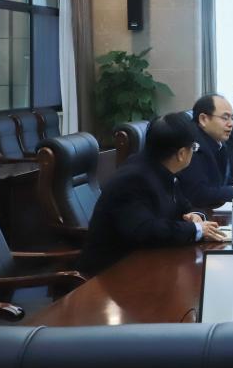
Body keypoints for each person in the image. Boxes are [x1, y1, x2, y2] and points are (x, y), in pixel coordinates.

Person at [78, 113, 225, 277]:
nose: (194, 152)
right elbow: (145, 230)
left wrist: (194, 216)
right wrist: (195, 229)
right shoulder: (133, 179)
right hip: (111, 274)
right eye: (194, 148)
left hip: (146, 263)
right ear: (181, 154)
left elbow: (183, 205)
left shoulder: (161, 169)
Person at [179, 94, 233, 208]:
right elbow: (198, 194)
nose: (231, 123)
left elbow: (222, 178)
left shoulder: (217, 142)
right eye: (225, 118)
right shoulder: (193, 146)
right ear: (203, 119)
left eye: (232, 118)